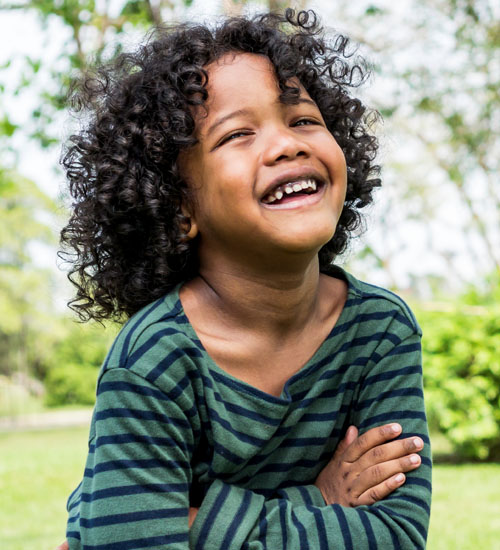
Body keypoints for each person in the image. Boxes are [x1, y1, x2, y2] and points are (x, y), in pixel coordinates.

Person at [57, 9, 432, 550]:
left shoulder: (380, 330)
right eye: (238, 133)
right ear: (178, 206)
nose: (286, 145)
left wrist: (197, 522)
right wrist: (318, 500)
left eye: (303, 120)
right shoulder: (155, 358)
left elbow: (395, 535)